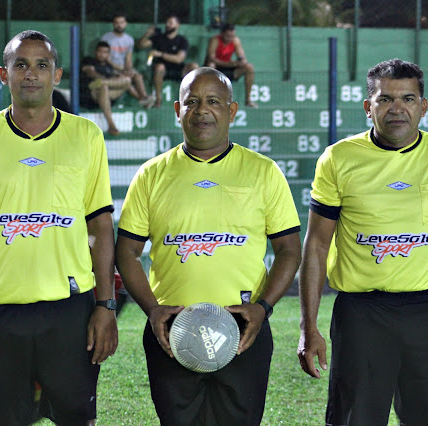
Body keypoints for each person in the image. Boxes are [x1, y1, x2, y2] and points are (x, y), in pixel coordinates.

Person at [297, 58, 428, 425]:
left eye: (408, 99)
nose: (397, 108)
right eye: (385, 99)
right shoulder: (338, 158)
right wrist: (308, 326)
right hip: (361, 315)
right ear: (368, 107)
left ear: (423, 107)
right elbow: (316, 245)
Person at [0, 30, 118, 425]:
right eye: (21, 65)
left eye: (42, 65)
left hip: (69, 309)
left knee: (75, 418)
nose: (31, 74)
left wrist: (105, 304)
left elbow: (99, 225)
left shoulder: (86, 136)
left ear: (57, 75)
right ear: (4, 74)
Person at [116, 67, 301, 425]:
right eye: (192, 102)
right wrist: (153, 310)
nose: (202, 110)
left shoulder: (263, 172)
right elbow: (127, 252)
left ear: (231, 111)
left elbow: (289, 250)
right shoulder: (152, 174)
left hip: (243, 326)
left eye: (213, 102)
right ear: (177, 110)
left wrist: (263, 308)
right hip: (171, 329)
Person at [137, 15, 199, 108]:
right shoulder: (159, 38)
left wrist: (160, 54)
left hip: (178, 69)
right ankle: (158, 100)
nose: (167, 25)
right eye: (167, 22)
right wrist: (147, 34)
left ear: (177, 25)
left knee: (194, 66)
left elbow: (179, 59)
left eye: (170, 23)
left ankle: (193, 98)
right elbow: (141, 45)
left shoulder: (182, 40)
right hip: (161, 70)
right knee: (159, 67)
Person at [101, 14, 156, 108]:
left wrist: (129, 69)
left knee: (137, 76)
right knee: (127, 80)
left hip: (123, 68)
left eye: (121, 22)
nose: (119, 25)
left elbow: (128, 58)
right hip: (110, 68)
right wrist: (121, 70)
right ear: (113, 24)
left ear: (125, 23)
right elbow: (106, 59)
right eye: (116, 23)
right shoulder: (106, 38)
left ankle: (144, 97)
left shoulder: (129, 39)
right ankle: (144, 100)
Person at [81, 41, 133, 136]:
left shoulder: (109, 66)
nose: (102, 54)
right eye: (100, 51)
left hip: (106, 96)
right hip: (90, 94)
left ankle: (103, 82)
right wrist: (103, 78)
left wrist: (111, 65)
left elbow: (126, 72)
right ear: (95, 52)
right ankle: (111, 125)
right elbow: (90, 72)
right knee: (104, 87)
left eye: (105, 52)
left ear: (108, 54)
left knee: (127, 81)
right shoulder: (89, 60)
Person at [205, 24, 257, 108]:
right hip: (216, 69)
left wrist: (241, 61)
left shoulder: (235, 41)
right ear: (222, 34)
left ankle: (248, 100)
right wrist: (230, 64)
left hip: (229, 70)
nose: (230, 38)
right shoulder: (215, 40)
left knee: (249, 67)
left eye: (232, 36)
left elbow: (242, 57)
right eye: (227, 36)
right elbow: (211, 58)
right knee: (211, 65)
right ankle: (209, 99)